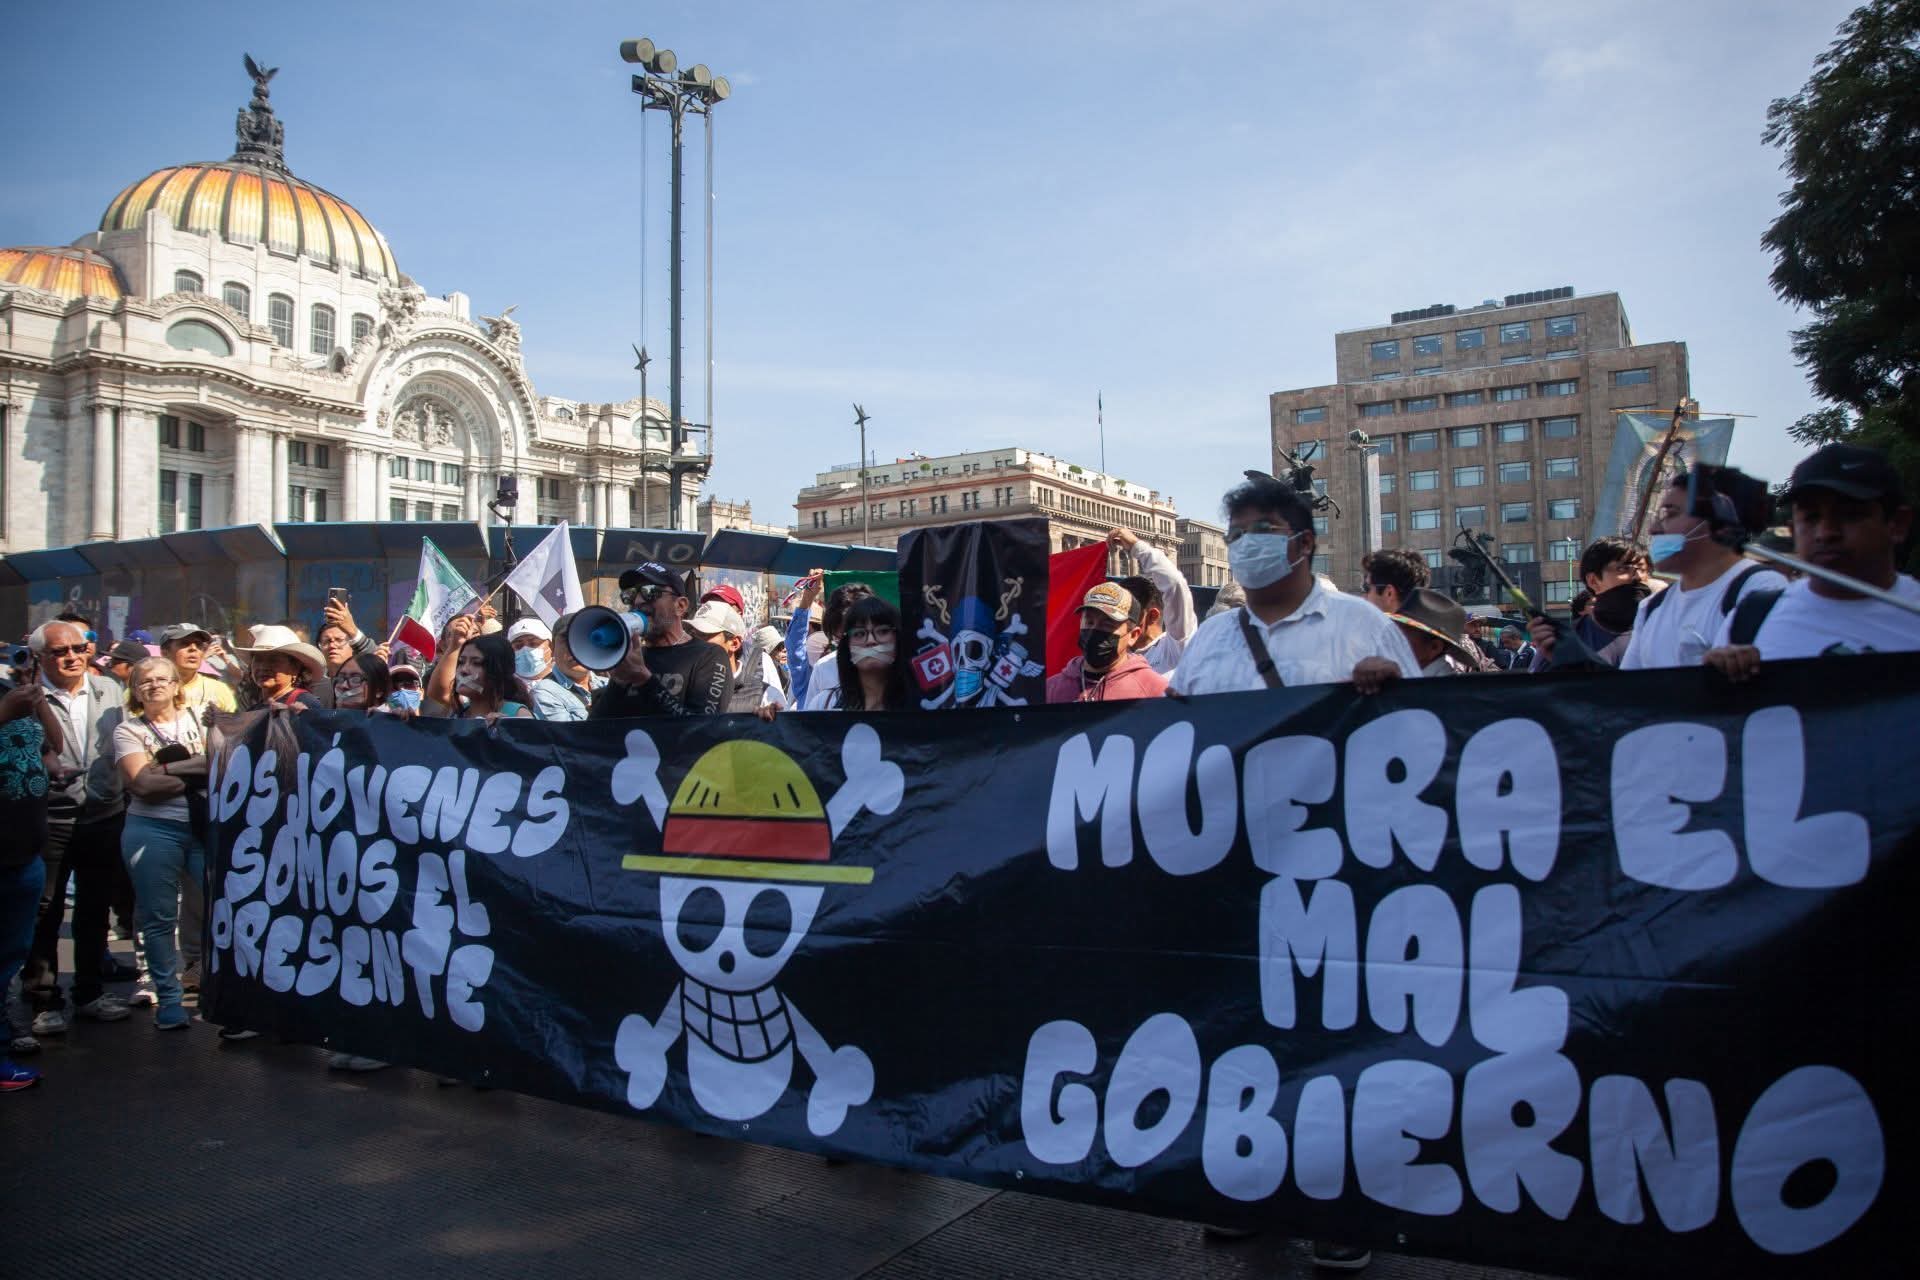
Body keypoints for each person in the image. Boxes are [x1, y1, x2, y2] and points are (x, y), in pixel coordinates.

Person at [1169, 472, 1419, 698]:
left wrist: (1394, 688)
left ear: (1305, 542)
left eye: (1262, 530)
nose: (1247, 543)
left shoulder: (1365, 625)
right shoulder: (1210, 636)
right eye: (1236, 535)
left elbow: (1416, 719)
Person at [1705, 442, 1920, 679]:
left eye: (1850, 515)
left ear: (1898, 524)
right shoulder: (1750, 620)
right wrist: (1715, 679)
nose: (1826, 533)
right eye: (1811, 517)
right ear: (1793, 530)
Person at [21, 620, 132, 1037]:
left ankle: (89, 992)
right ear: (40, 657)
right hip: (49, 817)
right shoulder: (26, 696)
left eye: (79, 648)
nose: (72, 657)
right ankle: (44, 999)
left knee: (95, 907)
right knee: (46, 911)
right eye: (59, 651)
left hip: (103, 814)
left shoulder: (109, 689)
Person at [112, 658, 210, 1031]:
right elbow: (142, 785)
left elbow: (219, 763)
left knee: (219, 910)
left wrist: (165, 769)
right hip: (152, 829)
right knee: (158, 918)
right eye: (144, 681)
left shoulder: (201, 719)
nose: (154, 686)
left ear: (175, 685)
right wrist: (196, 771)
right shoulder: (127, 730)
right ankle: (168, 999)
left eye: (162, 679)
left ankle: (220, 993)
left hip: (202, 829)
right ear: (135, 691)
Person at [1607, 472, 1788, 671]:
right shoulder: (1651, 607)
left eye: (1671, 514)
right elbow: (1631, 684)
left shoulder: (1761, 590)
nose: (1654, 529)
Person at [1, 675, 64, 1087]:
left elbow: (54, 746)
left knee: (8, 959)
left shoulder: (9, 691)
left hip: (25, 857)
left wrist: (36, 702)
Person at [590, 564, 731, 719]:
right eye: (630, 595)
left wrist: (644, 680)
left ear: (680, 606)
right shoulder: (631, 660)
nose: (638, 601)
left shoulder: (709, 656)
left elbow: (701, 727)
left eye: (650, 592)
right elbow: (595, 729)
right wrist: (617, 684)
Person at [1527, 538, 1650, 668]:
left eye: (1643, 569)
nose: (1638, 576)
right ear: (1593, 581)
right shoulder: (1568, 641)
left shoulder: (1661, 628)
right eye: (1623, 568)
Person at [1047, 583, 1170, 702]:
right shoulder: (1050, 690)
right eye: (1089, 622)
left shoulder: (1156, 691)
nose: (1095, 629)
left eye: (1107, 624)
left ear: (1133, 635)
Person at [1110, 526, 1196, 675]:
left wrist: (1137, 546)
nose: (1117, 621)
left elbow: (1175, 584)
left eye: (1126, 613)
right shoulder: (1116, 658)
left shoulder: (1175, 647)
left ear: (1152, 616)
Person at [687, 601, 787, 717]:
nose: (695, 643)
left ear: (734, 643)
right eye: (693, 635)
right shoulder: (681, 690)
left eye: (705, 635)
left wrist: (762, 724)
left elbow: (786, 727)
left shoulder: (766, 697)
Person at [816, 596, 914, 711]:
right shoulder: (824, 704)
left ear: (898, 639)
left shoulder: (923, 704)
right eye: (859, 633)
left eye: (882, 631)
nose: (870, 641)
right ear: (847, 646)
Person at [426, 620, 533, 721]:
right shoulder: (459, 712)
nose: (464, 670)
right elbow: (437, 690)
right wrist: (455, 645)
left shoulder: (519, 715)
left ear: (498, 671)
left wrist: (507, 730)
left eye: (476, 663)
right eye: (461, 662)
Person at [798, 580, 876, 712]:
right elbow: (809, 722)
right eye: (839, 640)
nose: (849, 648)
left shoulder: (899, 672)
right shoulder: (823, 670)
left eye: (858, 635)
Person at [506, 619, 587, 722]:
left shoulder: (571, 678)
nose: (526, 650)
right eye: (518, 646)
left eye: (533, 643)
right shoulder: (504, 688)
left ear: (551, 646)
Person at [1390, 589, 1483, 677]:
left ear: (1434, 647)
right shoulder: (1410, 677)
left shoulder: (1441, 686)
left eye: (1400, 636)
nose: (1391, 640)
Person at [236, 625, 327, 711]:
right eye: (258, 660)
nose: (263, 667)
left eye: (273, 660)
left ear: (295, 668)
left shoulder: (306, 704)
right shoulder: (253, 711)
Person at [155, 624, 238, 714]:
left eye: (198, 644)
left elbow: (233, 721)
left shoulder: (219, 690)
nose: (193, 648)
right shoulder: (154, 689)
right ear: (165, 653)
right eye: (185, 643)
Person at [544, 619, 599, 716]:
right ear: (552, 647)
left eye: (584, 639)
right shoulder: (545, 692)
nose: (575, 648)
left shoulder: (608, 684)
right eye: (567, 640)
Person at [1359, 547, 1431, 617]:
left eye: (1366, 588)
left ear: (1389, 593)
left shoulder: (1383, 625)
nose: (1363, 597)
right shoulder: (1429, 623)